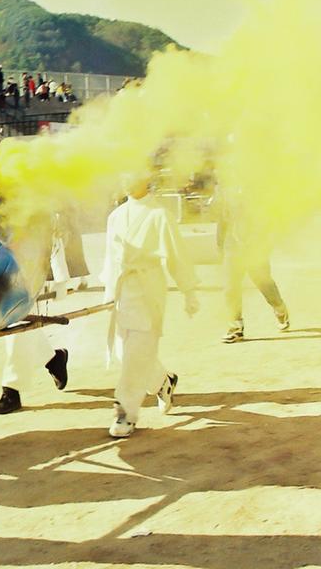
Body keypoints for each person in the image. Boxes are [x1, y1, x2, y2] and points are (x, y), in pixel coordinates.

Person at [98, 173, 199, 439]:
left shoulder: (159, 215)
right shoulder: (116, 216)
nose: (126, 180)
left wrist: (189, 290)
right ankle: (163, 382)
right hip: (121, 290)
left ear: (146, 178)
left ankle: (125, 413)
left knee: (136, 352)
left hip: (147, 290)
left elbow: (177, 254)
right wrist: (108, 292)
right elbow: (110, 257)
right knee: (125, 351)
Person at [214, 185, 291, 343]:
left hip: (256, 245)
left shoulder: (259, 186)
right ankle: (235, 327)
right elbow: (222, 219)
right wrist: (220, 244)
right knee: (230, 287)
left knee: (263, 283)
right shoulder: (224, 189)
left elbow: (272, 218)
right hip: (232, 245)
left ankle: (280, 308)